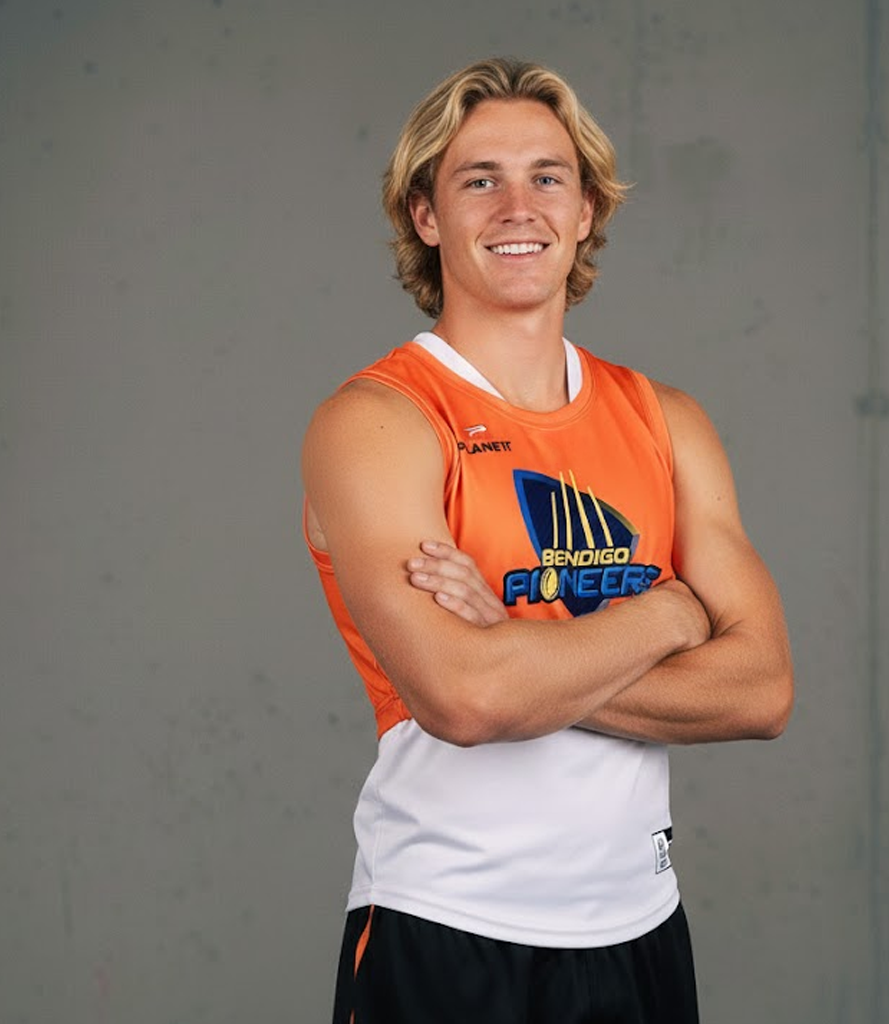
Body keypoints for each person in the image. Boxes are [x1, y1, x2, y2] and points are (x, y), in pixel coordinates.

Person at [302, 56, 792, 1024]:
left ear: (586, 212)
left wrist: (519, 638)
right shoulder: (379, 421)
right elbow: (469, 696)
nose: (516, 205)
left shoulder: (666, 419)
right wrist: (667, 609)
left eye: (547, 177)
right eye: (479, 178)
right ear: (425, 215)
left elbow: (762, 690)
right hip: (447, 927)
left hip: (639, 927)